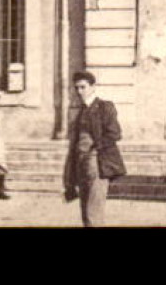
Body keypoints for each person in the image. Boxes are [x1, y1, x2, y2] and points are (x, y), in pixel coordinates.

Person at [64, 71, 124, 227]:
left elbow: (115, 133)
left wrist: (94, 149)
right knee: (85, 211)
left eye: (83, 87)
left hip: (97, 163)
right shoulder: (79, 112)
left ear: (93, 87)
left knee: (93, 212)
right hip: (80, 163)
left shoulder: (105, 107)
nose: (79, 92)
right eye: (76, 88)